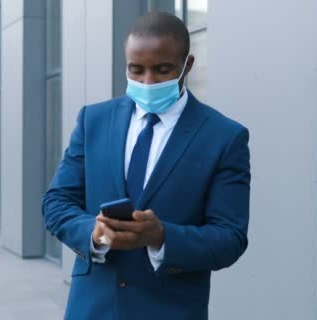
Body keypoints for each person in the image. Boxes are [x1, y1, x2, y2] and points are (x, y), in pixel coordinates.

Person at [42, 11, 250, 320]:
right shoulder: (93, 121)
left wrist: (161, 236)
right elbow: (56, 203)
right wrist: (94, 233)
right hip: (93, 309)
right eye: (136, 70)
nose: (147, 81)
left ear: (187, 65)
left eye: (163, 70)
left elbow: (229, 237)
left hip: (171, 310)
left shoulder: (223, 137)